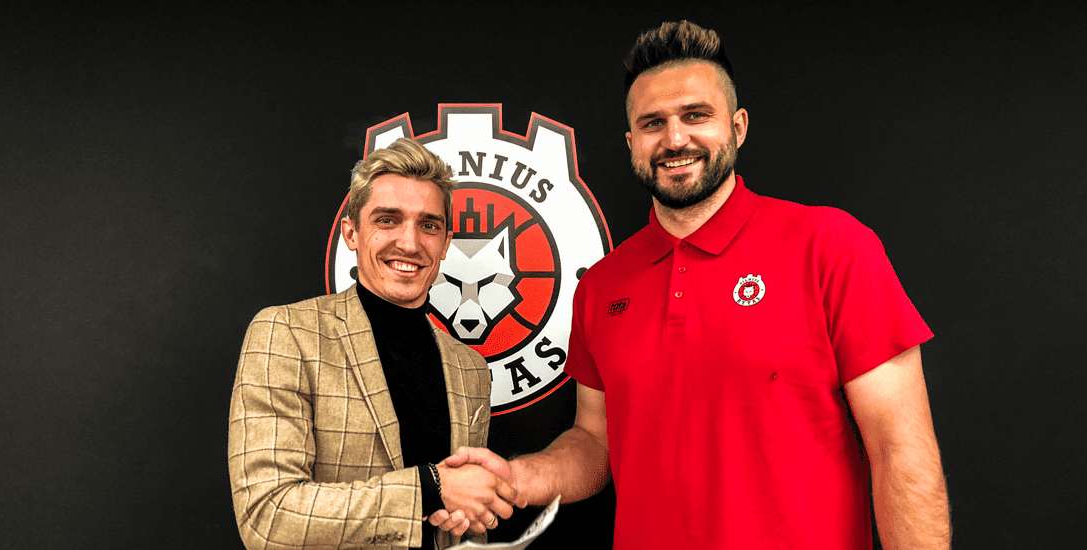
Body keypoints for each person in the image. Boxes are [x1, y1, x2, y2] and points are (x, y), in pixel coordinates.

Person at [439, 20, 951, 550]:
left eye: (695, 116)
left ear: (738, 126)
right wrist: (517, 479)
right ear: (632, 142)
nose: (675, 139)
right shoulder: (601, 286)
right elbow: (595, 443)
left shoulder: (832, 247)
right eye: (653, 123)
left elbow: (901, 452)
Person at [228, 137, 522, 550]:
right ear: (351, 233)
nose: (410, 243)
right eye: (387, 220)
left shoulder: (469, 368)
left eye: (429, 225)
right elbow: (268, 517)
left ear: (445, 243)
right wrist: (429, 489)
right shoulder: (286, 334)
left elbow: (459, 519)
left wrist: (472, 517)